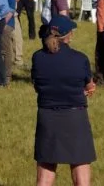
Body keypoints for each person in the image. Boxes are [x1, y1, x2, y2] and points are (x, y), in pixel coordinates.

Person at [31, 15, 97, 186]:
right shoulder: (80, 58)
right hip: (75, 117)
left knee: (45, 173)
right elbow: (88, 84)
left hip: (47, 116)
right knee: (80, 168)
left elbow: (37, 86)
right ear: (68, 36)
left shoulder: (38, 57)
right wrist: (89, 88)